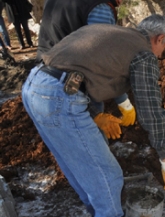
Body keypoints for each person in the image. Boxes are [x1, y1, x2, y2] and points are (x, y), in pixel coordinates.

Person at [21, 14, 165, 217]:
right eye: (164, 48)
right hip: (59, 97)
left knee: (77, 165)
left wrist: (100, 111)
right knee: (107, 171)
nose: (160, 55)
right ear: (160, 39)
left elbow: (87, 69)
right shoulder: (144, 53)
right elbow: (151, 112)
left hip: (35, 86)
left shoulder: (114, 34)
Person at [36, 0, 136, 133]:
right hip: (72, 82)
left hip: (41, 75)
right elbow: (102, 58)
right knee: (90, 141)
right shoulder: (99, 8)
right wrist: (124, 101)